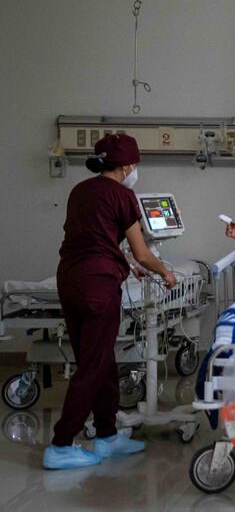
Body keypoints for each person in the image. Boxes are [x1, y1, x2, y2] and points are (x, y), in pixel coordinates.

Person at [44, 134, 176, 470]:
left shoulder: (80, 191)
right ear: (128, 164)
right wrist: (165, 272)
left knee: (99, 361)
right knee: (93, 366)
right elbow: (144, 252)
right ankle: (60, 445)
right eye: (135, 164)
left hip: (69, 278)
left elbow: (93, 238)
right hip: (97, 286)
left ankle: (107, 435)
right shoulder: (123, 195)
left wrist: (126, 262)